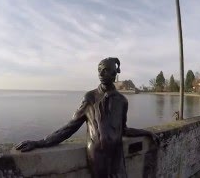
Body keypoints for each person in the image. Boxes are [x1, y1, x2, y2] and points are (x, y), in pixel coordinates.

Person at [15, 57, 159, 178]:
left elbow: (123, 129)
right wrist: (40, 142)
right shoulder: (90, 97)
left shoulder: (122, 101)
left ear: (115, 73)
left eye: (105, 70)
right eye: (99, 70)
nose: (101, 73)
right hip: (98, 157)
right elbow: (70, 127)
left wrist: (147, 133)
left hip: (117, 156)